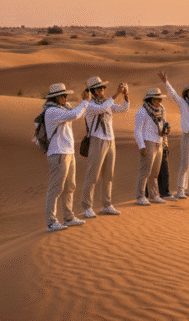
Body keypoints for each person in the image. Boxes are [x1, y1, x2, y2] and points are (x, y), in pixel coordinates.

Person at [42, 82, 89, 232]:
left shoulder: (62, 108)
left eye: (65, 95)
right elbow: (75, 114)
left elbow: (75, 111)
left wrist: (83, 101)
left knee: (70, 186)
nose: (65, 98)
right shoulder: (51, 112)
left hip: (68, 152)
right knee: (56, 189)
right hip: (58, 153)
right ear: (55, 98)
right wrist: (86, 101)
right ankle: (51, 222)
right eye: (62, 96)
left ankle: (69, 217)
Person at [81, 77, 130, 218]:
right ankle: (87, 206)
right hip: (97, 141)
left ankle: (107, 204)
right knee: (93, 175)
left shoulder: (106, 103)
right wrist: (116, 94)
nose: (102, 90)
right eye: (99, 88)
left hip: (110, 141)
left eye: (103, 88)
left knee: (109, 175)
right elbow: (102, 108)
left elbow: (123, 109)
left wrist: (125, 95)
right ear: (93, 91)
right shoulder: (90, 105)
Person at [134, 87, 170, 206]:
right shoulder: (142, 111)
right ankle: (140, 196)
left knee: (155, 172)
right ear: (149, 100)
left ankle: (154, 195)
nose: (158, 102)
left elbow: (162, 125)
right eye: (155, 99)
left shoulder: (161, 110)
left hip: (159, 142)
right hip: (147, 143)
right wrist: (141, 146)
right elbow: (137, 131)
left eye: (159, 99)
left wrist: (165, 135)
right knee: (145, 172)